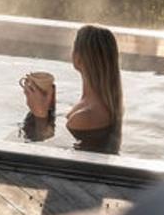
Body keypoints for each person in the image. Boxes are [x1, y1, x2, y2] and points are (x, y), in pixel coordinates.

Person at [22, 24, 123, 153]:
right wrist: (48, 106)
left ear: (78, 59)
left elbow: (49, 152)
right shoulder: (99, 103)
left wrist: (39, 116)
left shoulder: (85, 116)